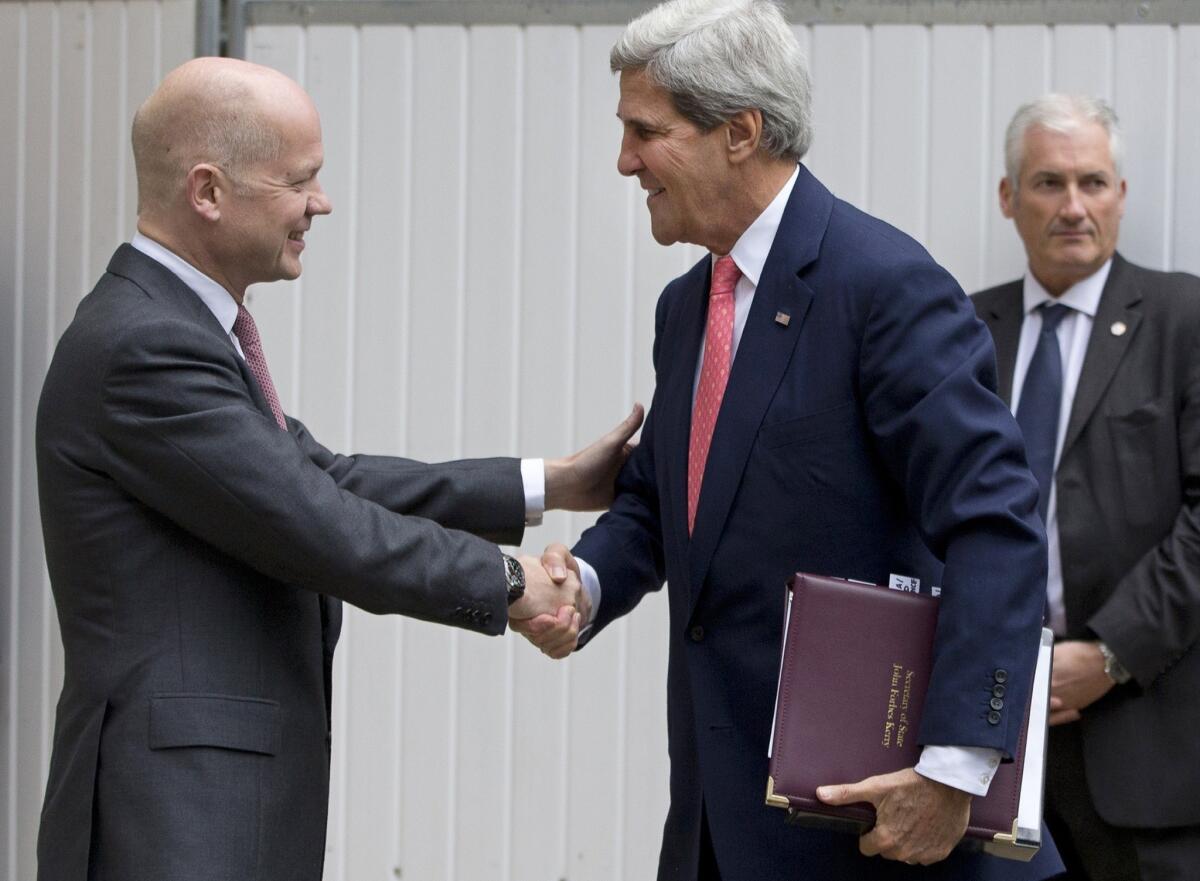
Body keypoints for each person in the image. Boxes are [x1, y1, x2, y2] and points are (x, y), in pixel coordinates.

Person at [34, 56, 641, 881]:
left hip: (207, 809)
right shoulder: (145, 346)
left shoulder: (176, 328)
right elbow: (317, 523)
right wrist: (513, 582)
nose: (321, 203)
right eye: (300, 181)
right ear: (207, 192)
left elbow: (327, 478)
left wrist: (553, 482)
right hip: (177, 819)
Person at [517, 1, 1063, 878]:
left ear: (740, 131)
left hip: (879, 827)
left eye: (644, 132)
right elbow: (672, 505)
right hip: (720, 826)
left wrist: (956, 770)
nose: (625, 161)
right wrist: (582, 583)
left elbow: (996, 520)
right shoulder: (689, 306)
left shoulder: (886, 287)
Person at [971, 94, 1200, 881]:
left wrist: (1110, 653)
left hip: (1146, 743)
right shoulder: (965, 332)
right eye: (1048, 183)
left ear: (1122, 195)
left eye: (1093, 182)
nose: (1073, 206)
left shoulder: (1184, 318)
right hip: (989, 743)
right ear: (1008, 196)